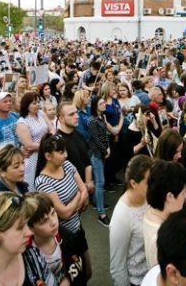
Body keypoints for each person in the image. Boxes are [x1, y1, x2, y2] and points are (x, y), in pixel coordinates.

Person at [34, 133, 92, 280]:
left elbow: (84, 189)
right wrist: (79, 196)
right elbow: (64, 213)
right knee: (75, 277)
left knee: (88, 272)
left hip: (78, 229)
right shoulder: (43, 182)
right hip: (64, 239)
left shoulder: (67, 165)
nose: (66, 155)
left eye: (65, 151)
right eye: (61, 152)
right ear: (48, 156)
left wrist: (75, 202)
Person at [110, 154, 153, 286]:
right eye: (149, 182)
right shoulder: (121, 216)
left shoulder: (148, 196)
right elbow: (117, 267)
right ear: (134, 183)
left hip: (152, 274)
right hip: (137, 281)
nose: (154, 185)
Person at [27, 192, 88, 285]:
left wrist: (69, 280)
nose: (53, 222)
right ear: (31, 228)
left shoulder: (68, 236)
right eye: (44, 221)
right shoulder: (26, 254)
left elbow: (84, 271)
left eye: (53, 213)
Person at [143, 160, 186, 268]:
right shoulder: (160, 239)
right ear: (169, 197)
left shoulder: (152, 210)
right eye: (183, 193)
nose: (185, 196)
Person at [17, 91, 53, 187]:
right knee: (35, 183)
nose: (37, 105)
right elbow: (29, 145)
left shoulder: (41, 113)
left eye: (38, 102)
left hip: (47, 153)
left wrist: (52, 139)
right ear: (26, 106)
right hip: (34, 158)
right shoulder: (22, 122)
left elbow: (51, 127)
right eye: (34, 103)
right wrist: (48, 144)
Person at [87, 95, 111, 227]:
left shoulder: (102, 118)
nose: (104, 105)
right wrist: (105, 150)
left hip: (102, 153)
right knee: (100, 182)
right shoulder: (92, 121)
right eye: (101, 103)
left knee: (99, 181)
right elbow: (96, 139)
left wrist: (108, 148)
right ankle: (101, 214)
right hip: (96, 154)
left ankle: (96, 201)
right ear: (96, 106)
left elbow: (105, 136)